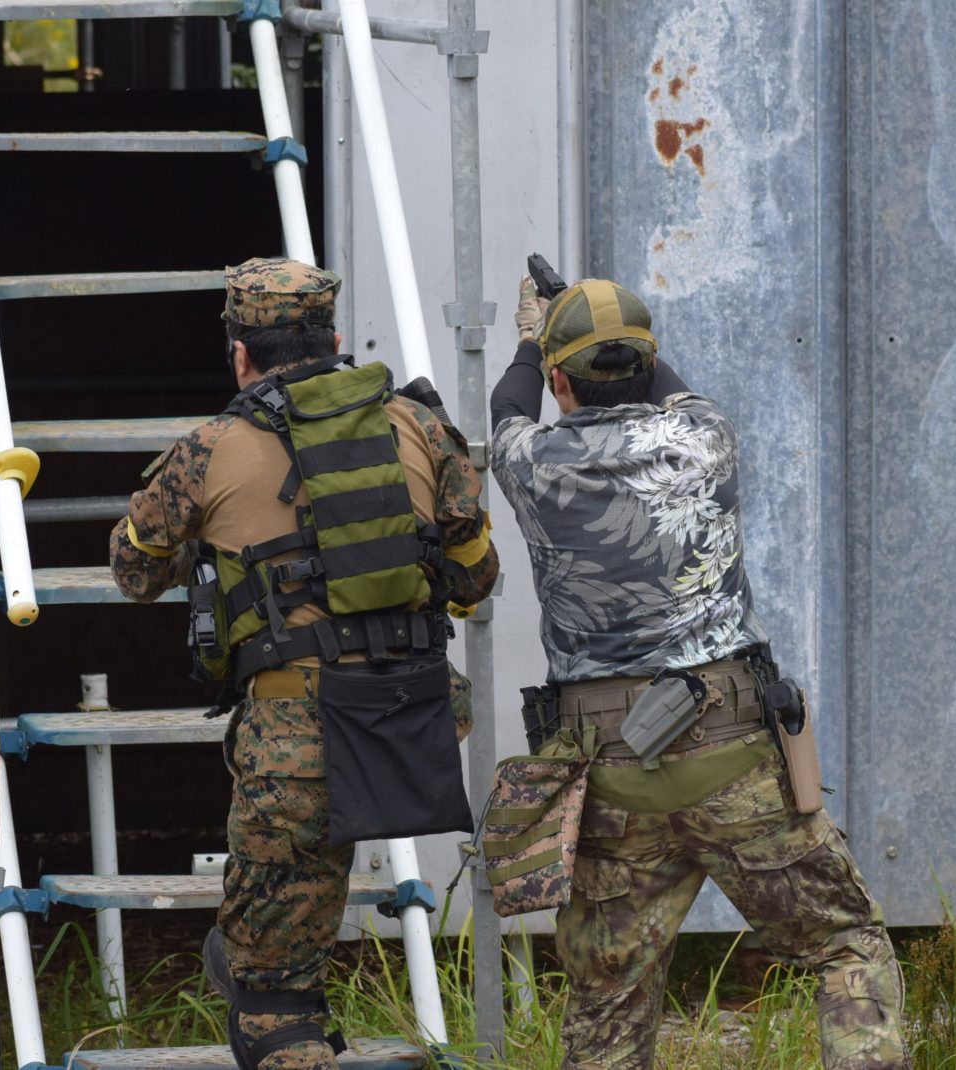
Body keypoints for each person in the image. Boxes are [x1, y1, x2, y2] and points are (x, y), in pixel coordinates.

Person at [489, 276, 908, 1069]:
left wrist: (532, 340)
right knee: (845, 943)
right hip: (733, 762)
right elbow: (670, 389)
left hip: (609, 777)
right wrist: (616, 343)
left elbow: (506, 408)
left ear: (559, 383)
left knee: (608, 999)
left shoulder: (532, 461)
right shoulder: (706, 437)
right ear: (647, 366)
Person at [111, 258, 498, 1070]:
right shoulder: (420, 425)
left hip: (298, 739)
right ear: (334, 338)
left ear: (241, 355)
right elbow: (476, 578)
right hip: (413, 720)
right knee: (285, 944)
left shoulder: (209, 448)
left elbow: (133, 570)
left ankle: (285, 1018)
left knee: (269, 1001)